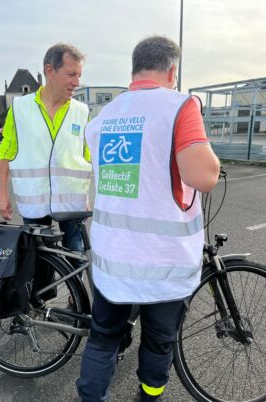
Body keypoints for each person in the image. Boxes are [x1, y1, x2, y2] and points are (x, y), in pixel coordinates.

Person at [76, 35, 220, 401]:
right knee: (158, 342)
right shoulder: (179, 107)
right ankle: (149, 396)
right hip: (161, 260)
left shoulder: (105, 115)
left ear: (134, 69)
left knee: (104, 336)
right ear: (172, 70)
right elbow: (203, 177)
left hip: (112, 258)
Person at [0, 43, 92, 258]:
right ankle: (44, 292)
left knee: (76, 257)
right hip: (34, 198)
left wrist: (85, 196)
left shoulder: (82, 111)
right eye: (71, 74)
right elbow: (6, 152)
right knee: (38, 263)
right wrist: (3, 194)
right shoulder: (20, 108)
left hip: (72, 200)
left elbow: (85, 156)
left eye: (79, 75)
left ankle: (73, 293)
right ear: (50, 71)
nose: (76, 82)